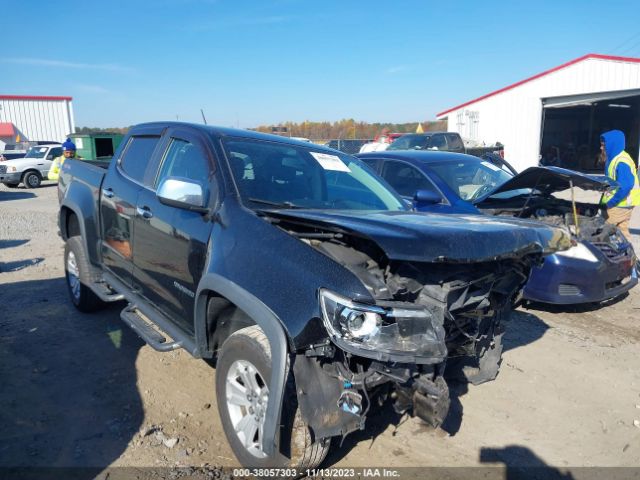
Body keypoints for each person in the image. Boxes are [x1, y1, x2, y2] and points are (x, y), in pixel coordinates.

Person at [600, 130, 640, 240]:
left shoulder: (622, 161)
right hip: (621, 203)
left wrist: (612, 202)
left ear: (612, 144)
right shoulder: (614, 158)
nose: (601, 148)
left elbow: (626, 186)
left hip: (620, 203)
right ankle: (630, 256)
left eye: (603, 145)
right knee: (622, 233)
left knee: (602, 230)